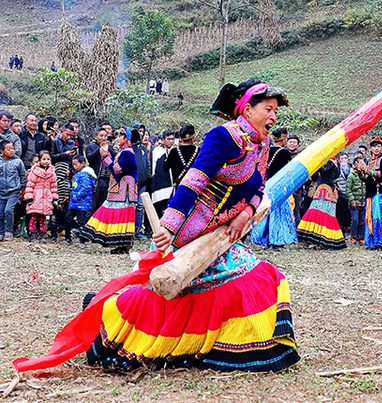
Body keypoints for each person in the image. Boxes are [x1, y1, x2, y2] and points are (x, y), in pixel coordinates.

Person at [86, 79, 300, 372]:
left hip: (222, 235)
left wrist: (245, 213)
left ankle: (231, 348)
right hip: (188, 233)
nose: (274, 116)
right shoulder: (224, 137)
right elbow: (193, 183)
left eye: (276, 110)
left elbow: (259, 186)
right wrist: (169, 228)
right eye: (268, 109)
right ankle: (105, 315)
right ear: (248, 110)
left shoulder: (260, 146)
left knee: (256, 277)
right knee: (169, 293)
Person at [78, 127, 139, 254]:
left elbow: (117, 170)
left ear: (126, 138)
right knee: (113, 213)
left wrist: (105, 156)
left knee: (119, 214)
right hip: (120, 190)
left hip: (124, 191)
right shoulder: (124, 152)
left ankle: (88, 233)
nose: (117, 138)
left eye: (120, 136)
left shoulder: (127, 153)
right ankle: (87, 232)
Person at [249, 127, 297, 247]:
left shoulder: (264, 151)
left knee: (264, 211)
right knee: (278, 213)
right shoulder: (284, 153)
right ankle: (277, 240)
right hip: (279, 187)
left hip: (264, 186)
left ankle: (260, 238)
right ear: (283, 139)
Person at [297, 159, 346, 249]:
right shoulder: (336, 162)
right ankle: (321, 238)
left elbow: (321, 170)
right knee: (325, 214)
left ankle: (316, 238)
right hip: (329, 189)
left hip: (324, 190)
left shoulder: (329, 162)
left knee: (317, 212)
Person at [23, 151, 58, 243]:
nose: (46, 161)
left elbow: (53, 186)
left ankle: (42, 235)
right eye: (44, 159)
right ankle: (31, 234)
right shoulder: (35, 171)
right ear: (39, 160)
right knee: (34, 216)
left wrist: (54, 197)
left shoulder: (52, 172)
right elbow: (30, 185)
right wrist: (29, 197)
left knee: (43, 217)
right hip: (36, 196)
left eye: (48, 159)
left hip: (47, 197)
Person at [0, 140, 26, 241]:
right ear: (2, 151)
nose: (12, 151)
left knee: (8, 210)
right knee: (0, 212)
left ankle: (9, 231)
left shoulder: (18, 161)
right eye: (8, 149)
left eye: (13, 149)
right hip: (1, 191)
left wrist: (22, 188)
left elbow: (23, 175)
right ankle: (1, 231)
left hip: (14, 191)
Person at [86, 127, 116, 213]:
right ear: (96, 136)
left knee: (102, 206)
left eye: (105, 136)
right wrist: (100, 148)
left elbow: (116, 157)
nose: (103, 138)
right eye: (101, 136)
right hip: (96, 179)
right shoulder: (91, 146)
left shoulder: (110, 148)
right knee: (92, 205)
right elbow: (90, 158)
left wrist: (109, 148)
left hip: (107, 180)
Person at [66, 155, 96, 240]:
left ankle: (84, 239)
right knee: (67, 218)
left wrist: (77, 196)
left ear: (83, 163)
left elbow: (86, 188)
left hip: (82, 202)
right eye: (73, 164)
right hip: (74, 202)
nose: (74, 166)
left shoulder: (85, 174)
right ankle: (73, 234)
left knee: (81, 221)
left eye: (76, 164)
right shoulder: (77, 173)